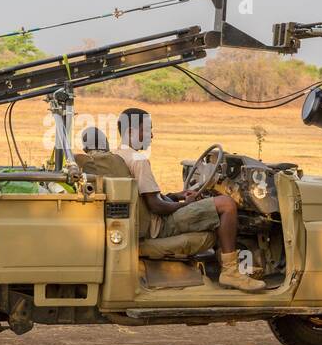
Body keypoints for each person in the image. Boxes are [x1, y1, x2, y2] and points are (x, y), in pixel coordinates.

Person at [113, 107, 265, 292]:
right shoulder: (139, 160)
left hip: (150, 221)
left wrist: (175, 196)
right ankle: (230, 272)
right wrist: (186, 204)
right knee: (227, 205)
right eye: (148, 129)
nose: (151, 136)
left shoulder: (119, 155)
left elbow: (147, 198)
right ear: (132, 132)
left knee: (212, 211)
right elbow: (156, 206)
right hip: (159, 226)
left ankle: (236, 264)